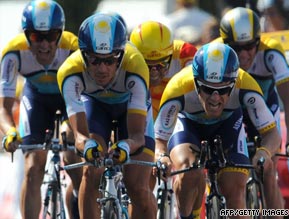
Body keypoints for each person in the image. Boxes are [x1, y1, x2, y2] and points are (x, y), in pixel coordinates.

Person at [154, 42, 281, 219]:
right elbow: (159, 140)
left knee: (235, 193)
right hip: (190, 126)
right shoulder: (178, 87)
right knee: (188, 169)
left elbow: (271, 133)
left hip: (227, 126)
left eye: (223, 90)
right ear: (196, 83)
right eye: (207, 89)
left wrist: (264, 152)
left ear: (234, 82)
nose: (215, 98)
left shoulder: (246, 85)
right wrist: (162, 156)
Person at [57, 12, 157, 219]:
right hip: (96, 107)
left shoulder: (136, 66)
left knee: (138, 186)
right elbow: (80, 137)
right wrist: (90, 148)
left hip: (128, 109)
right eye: (94, 60)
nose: (102, 68)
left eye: (110, 60)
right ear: (83, 55)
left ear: (120, 55)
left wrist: (126, 146)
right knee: (91, 171)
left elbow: (138, 136)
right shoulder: (69, 72)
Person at [0, 1, 82, 219]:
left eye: (52, 36)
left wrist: (72, 126)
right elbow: (4, 108)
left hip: (69, 100)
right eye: (36, 37)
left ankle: (75, 201)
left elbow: (86, 96)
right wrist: (10, 132)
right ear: (26, 35)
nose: (44, 44)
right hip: (35, 100)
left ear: (60, 34)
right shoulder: (13, 52)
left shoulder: (73, 47)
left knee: (74, 157)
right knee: (33, 166)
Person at [219, 6, 289, 211]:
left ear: (258, 41)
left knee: (268, 167)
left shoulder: (271, 51)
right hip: (233, 112)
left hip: (265, 112)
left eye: (250, 46)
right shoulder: (215, 53)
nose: (243, 54)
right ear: (225, 43)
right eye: (236, 47)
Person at [129, 20, 197, 121]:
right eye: (147, 65)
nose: (154, 72)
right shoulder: (127, 59)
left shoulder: (185, 54)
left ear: (171, 53)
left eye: (161, 64)